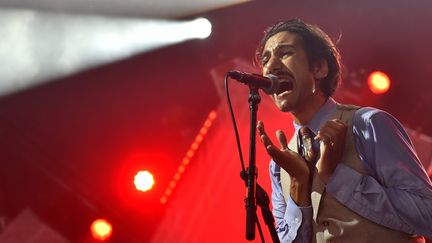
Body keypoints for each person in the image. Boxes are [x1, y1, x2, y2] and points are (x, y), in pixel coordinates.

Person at [255, 18, 432, 243]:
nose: (271, 67)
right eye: (266, 59)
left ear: (319, 68)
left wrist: (336, 176)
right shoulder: (279, 165)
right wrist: (299, 184)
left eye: (285, 53)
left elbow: (427, 214)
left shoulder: (368, 124)